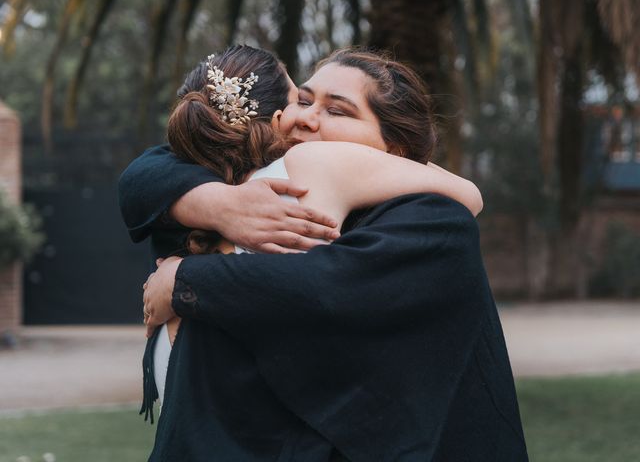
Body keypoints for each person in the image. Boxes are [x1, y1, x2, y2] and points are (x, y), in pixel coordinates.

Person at [125, 47, 528, 460]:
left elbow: (330, 285)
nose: (305, 117)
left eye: (337, 111)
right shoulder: (241, 196)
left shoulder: (434, 219)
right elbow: (145, 172)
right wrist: (218, 205)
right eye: (302, 100)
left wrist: (184, 280)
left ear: (397, 149)